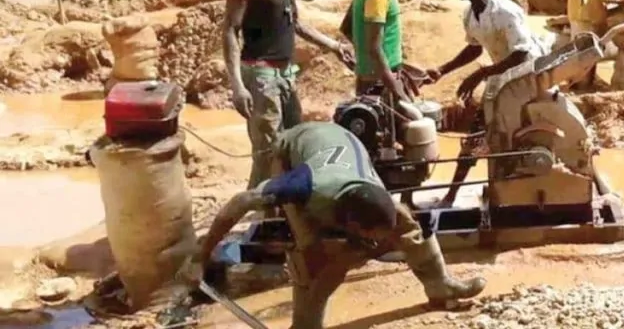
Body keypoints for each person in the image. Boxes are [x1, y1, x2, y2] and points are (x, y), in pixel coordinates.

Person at [191, 122, 487, 329]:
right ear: (350, 222)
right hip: (293, 150)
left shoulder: (375, 193)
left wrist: (362, 246)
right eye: (369, 239)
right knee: (310, 251)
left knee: (406, 223)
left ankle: (440, 285)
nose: (375, 247)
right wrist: (199, 258)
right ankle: (305, 325)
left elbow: (383, 226)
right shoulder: (304, 186)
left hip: (343, 145)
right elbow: (240, 202)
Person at [223, 0, 353, 195]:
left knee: (294, 143)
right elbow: (231, 31)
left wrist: (334, 46)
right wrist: (237, 86)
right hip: (261, 76)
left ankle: (285, 206)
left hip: (285, 75)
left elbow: (296, 24)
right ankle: (258, 208)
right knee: (268, 152)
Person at [425, 0, 551, 208]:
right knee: (476, 133)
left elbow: (522, 55)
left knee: (495, 131)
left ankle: (505, 193)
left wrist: (482, 74)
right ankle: (455, 196)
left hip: (528, 76)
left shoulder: (505, 11)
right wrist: (442, 70)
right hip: (503, 77)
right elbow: (474, 48)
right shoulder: (470, 15)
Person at [341, 0, 414, 104]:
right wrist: (395, 87)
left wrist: (365, 60)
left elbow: (347, 28)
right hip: (381, 85)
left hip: (375, 77)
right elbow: (374, 46)